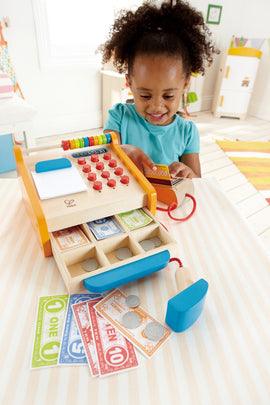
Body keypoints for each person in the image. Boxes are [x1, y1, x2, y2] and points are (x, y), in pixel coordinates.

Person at [99, 0, 218, 178]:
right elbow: (105, 159)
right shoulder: (119, 117)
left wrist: (187, 173)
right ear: (129, 83)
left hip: (167, 204)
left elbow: (197, 182)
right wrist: (122, 150)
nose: (156, 106)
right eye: (145, 95)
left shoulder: (187, 132)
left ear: (185, 85)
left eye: (168, 96)